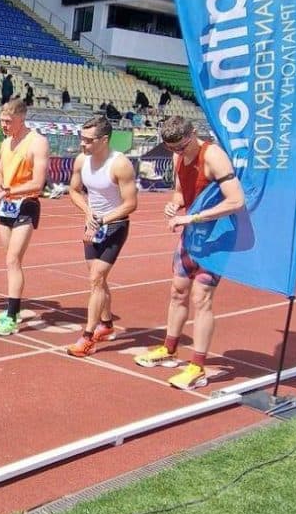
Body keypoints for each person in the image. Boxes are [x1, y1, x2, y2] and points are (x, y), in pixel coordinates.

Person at [134, 116, 245, 390]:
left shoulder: (214, 156)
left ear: (193, 134)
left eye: (182, 147)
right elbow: (181, 194)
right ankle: (169, 349)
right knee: (177, 291)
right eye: (172, 149)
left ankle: (197, 367)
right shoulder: (177, 157)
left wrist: (193, 218)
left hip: (218, 237)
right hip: (191, 235)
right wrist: (174, 207)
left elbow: (236, 200)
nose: (178, 153)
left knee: (202, 297)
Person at [66, 115, 138, 357]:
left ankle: (87, 337)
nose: (82, 144)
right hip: (93, 225)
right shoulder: (81, 161)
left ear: (103, 140)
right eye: (81, 138)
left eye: (87, 140)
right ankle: (106, 324)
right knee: (97, 279)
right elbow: (74, 191)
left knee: (96, 278)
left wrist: (102, 220)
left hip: (115, 225)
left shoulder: (120, 165)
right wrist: (88, 212)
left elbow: (130, 204)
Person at [0, 97, 50, 336]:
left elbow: (38, 182)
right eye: (1, 121)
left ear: (21, 118)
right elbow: (1, 172)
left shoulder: (37, 142)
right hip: (6, 206)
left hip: (27, 203)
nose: (4, 125)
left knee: (13, 259)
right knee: (10, 260)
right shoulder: (6, 143)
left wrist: (7, 191)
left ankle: (12, 316)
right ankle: (11, 307)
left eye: (8, 121)